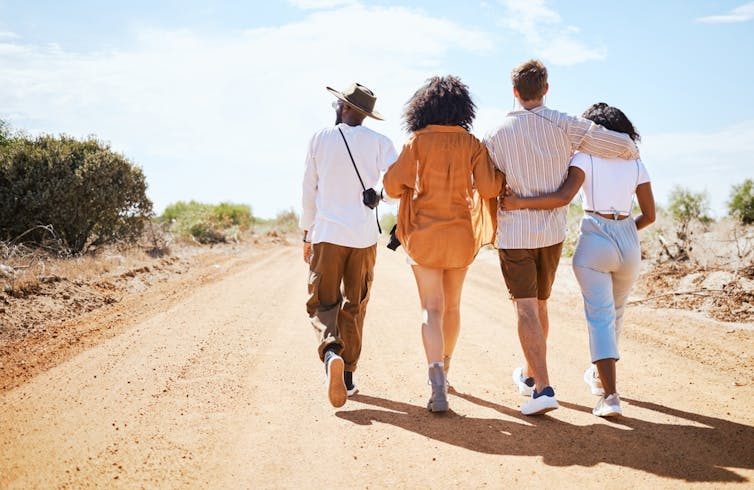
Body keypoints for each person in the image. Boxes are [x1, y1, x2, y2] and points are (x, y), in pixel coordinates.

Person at [484, 59, 640, 415]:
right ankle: (529, 374)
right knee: (540, 305)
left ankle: (543, 389)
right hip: (552, 233)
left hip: (515, 232)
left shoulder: (495, 134)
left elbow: (487, 183)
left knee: (524, 308)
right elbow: (621, 144)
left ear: (514, 92)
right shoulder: (565, 124)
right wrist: (630, 152)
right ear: (546, 89)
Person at [383, 75, 504, 413]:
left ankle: (435, 378)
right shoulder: (472, 144)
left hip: (423, 238)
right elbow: (491, 189)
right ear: (462, 108)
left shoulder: (415, 143)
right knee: (452, 307)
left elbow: (392, 187)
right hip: (461, 238)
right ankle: (446, 370)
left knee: (430, 309)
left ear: (422, 108)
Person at [300, 82, 398, 408]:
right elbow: (399, 183)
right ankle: (349, 376)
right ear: (367, 114)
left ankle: (331, 354)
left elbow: (308, 190)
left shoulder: (319, 139)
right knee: (355, 305)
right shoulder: (380, 142)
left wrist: (306, 234)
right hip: (364, 238)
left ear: (342, 107)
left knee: (323, 303)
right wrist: (379, 195)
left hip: (327, 234)